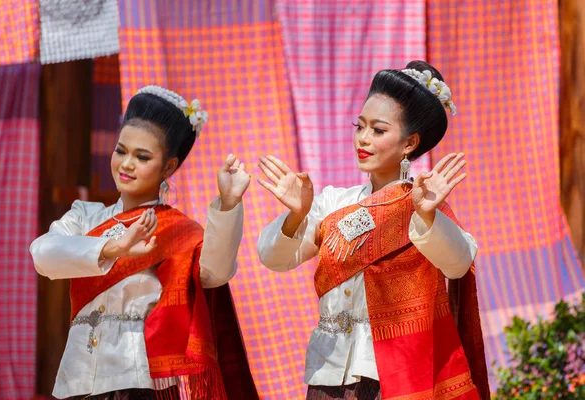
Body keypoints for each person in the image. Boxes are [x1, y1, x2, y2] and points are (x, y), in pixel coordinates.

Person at [256, 61, 490, 399]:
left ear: (410, 143)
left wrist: (426, 215)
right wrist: (296, 214)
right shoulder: (334, 202)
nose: (363, 139)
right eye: (359, 126)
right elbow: (274, 259)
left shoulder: (423, 205)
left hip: (397, 377)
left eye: (378, 130)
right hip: (327, 376)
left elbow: (458, 263)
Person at [31, 86, 258, 400]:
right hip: (77, 376)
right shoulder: (86, 217)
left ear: (168, 166)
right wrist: (116, 248)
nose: (126, 164)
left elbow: (214, 273)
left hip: (138, 378)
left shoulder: (177, 230)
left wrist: (229, 203)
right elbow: (42, 255)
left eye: (142, 157)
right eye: (121, 150)